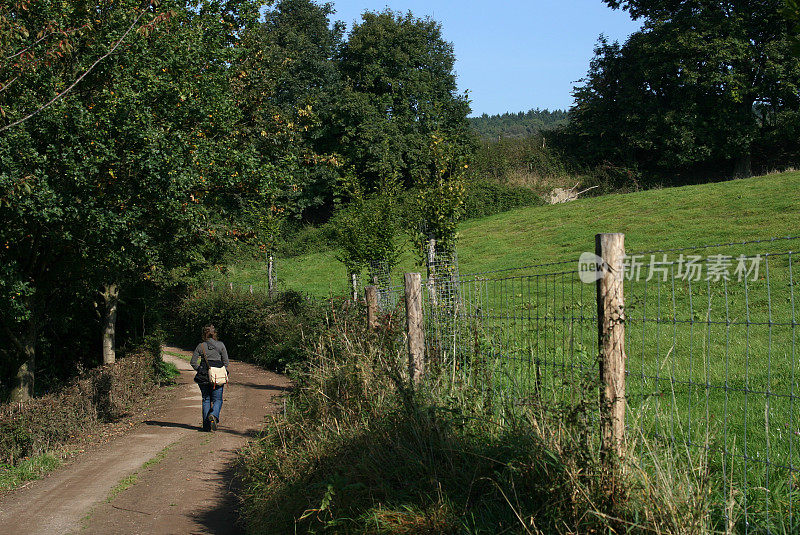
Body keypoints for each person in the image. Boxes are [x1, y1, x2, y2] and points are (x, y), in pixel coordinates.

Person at [191, 325, 230, 431]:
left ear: (204, 334)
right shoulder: (221, 345)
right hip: (217, 377)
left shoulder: (201, 346)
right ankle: (214, 415)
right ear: (215, 333)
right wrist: (220, 370)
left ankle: (206, 426)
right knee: (217, 399)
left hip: (203, 377)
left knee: (206, 399)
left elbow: (193, 362)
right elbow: (226, 362)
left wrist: (201, 370)